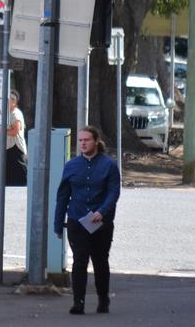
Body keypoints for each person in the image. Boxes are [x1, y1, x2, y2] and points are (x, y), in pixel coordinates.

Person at [54, 125, 121, 315]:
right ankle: (78, 302)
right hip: (77, 219)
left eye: (87, 140)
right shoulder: (72, 165)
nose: (83, 143)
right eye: (81, 140)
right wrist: (58, 224)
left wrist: (102, 211)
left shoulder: (109, 165)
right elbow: (62, 196)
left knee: (100, 261)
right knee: (79, 260)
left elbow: (113, 192)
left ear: (96, 142)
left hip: (101, 222)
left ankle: (103, 298)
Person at [0, 90, 28, 186]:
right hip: (7, 147)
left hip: (16, 148)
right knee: (8, 177)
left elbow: (15, 131)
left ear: (14, 102)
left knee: (18, 177)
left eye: (8, 100)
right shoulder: (5, 114)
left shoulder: (16, 114)